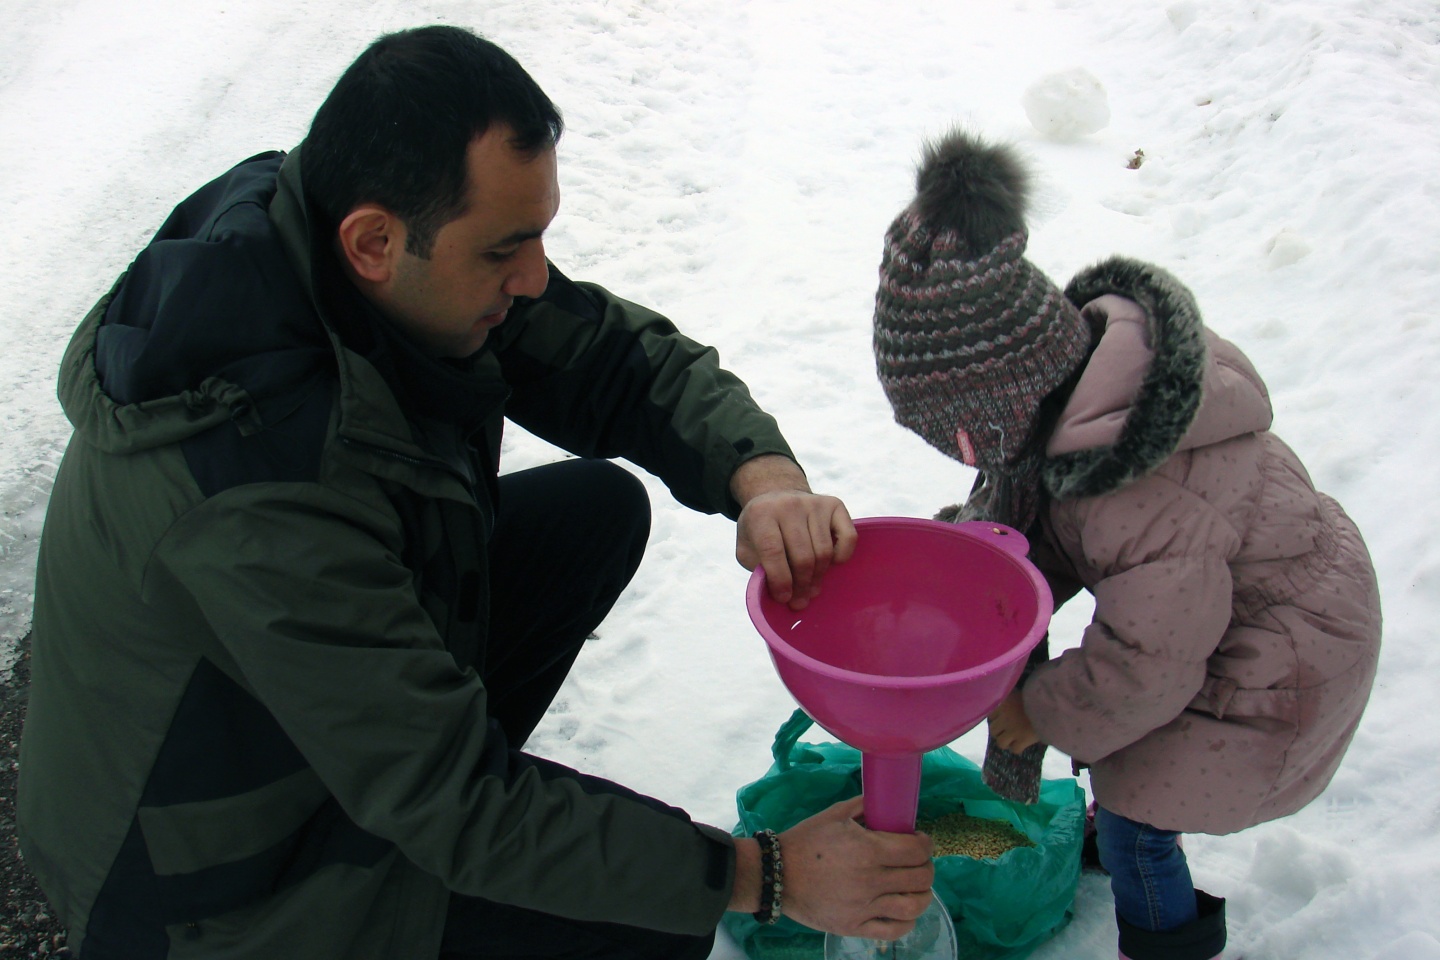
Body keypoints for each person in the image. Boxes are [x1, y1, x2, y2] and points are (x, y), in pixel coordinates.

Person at [17, 25, 938, 960]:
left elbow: (606, 357)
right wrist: (765, 876)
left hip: (295, 728)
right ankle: (423, 852)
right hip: (201, 892)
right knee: (643, 923)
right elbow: (455, 804)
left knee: (595, 514)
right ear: (375, 241)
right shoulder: (261, 489)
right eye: (507, 250)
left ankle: (438, 791)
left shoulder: (347, 254)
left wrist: (762, 478)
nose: (534, 277)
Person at [871, 129, 1381, 960]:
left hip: (1284, 669)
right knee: (1130, 755)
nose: (970, 465)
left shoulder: (1141, 493)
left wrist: (1033, 711)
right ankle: (1119, 835)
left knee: (1146, 812)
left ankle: (1163, 933)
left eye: (962, 444)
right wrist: (958, 563)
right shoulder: (1082, 416)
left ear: (1005, 405)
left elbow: (1147, 662)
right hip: (1235, 627)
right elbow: (1045, 532)